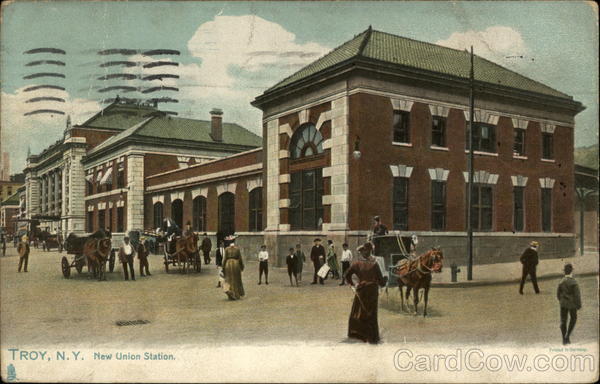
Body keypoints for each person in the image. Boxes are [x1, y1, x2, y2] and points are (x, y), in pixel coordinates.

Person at [344, 242, 387, 344]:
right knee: (371, 314)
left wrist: (353, 285)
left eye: (363, 251)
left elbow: (346, 275)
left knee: (358, 311)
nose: (363, 253)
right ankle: (372, 337)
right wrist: (385, 280)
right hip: (372, 291)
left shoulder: (357, 264)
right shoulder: (375, 264)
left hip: (361, 290)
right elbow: (381, 281)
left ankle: (357, 334)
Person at [557, 263, 582, 345]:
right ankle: (567, 336)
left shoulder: (561, 281)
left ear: (564, 272)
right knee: (573, 319)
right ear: (571, 272)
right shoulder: (574, 282)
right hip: (572, 304)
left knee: (563, 321)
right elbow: (577, 295)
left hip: (563, 304)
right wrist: (578, 305)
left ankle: (564, 339)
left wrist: (561, 301)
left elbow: (558, 294)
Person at [222, 236, 245, 300]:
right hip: (236, 264)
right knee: (237, 279)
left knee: (228, 279)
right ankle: (236, 294)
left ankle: (230, 293)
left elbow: (224, 259)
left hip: (228, 264)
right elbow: (240, 258)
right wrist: (242, 266)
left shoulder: (226, 249)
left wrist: (223, 267)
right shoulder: (237, 249)